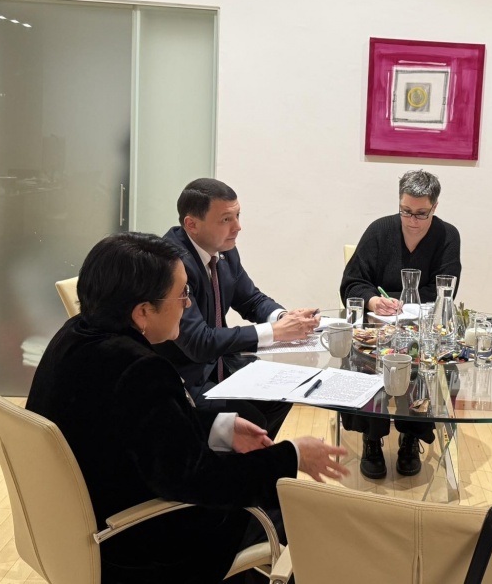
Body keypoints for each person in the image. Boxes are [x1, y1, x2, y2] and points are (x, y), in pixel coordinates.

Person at [27, 233, 347, 584]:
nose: (188, 303)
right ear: (143, 311)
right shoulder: (140, 369)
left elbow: (138, 424)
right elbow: (198, 480)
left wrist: (220, 427)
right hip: (136, 544)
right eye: (182, 294)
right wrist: (292, 455)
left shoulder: (75, 335)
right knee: (288, 510)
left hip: (76, 522)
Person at [158, 178, 320, 438]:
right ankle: (235, 457)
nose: (238, 227)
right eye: (226, 219)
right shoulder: (171, 263)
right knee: (252, 419)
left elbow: (251, 299)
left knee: (284, 392)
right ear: (192, 224)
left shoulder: (224, 250)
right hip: (186, 377)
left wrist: (283, 317)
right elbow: (199, 342)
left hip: (222, 363)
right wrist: (276, 331)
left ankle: (249, 456)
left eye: (237, 216)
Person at [340, 169, 461, 479]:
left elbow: (445, 291)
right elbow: (352, 282)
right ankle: (371, 437)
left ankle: (411, 436)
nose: (412, 220)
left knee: (432, 366)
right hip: (376, 328)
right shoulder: (380, 231)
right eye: (406, 211)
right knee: (365, 362)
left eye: (421, 213)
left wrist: (404, 304)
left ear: (435, 207)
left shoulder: (447, 236)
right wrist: (372, 301)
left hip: (422, 328)